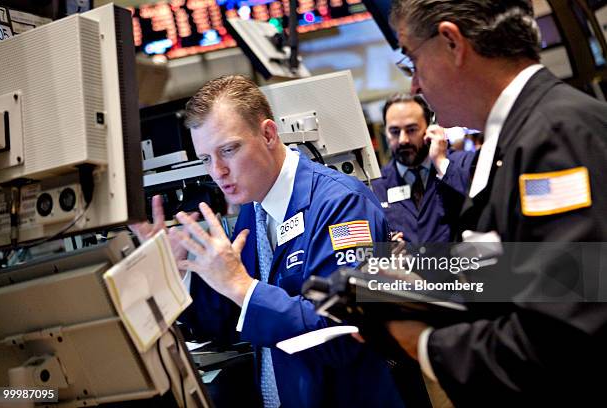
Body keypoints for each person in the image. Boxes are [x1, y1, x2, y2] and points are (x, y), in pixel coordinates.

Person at [133, 75, 405, 408]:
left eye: (228, 150)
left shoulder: (341, 204)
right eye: (205, 158)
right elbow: (231, 320)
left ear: (268, 134)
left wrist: (240, 285)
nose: (217, 171)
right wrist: (180, 272)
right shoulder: (255, 209)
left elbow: (343, 333)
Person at [384, 0, 607, 406]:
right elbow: (523, 263)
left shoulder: (553, 136)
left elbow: (565, 330)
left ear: (452, 42)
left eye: (412, 62)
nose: (415, 85)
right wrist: (411, 282)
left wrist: (424, 343)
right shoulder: (519, 134)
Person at [372, 93, 473, 243]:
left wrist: (440, 162)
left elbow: (478, 208)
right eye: (394, 131)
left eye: (411, 130)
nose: (403, 140)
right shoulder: (377, 186)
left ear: (431, 128)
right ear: (385, 133)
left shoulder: (462, 164)